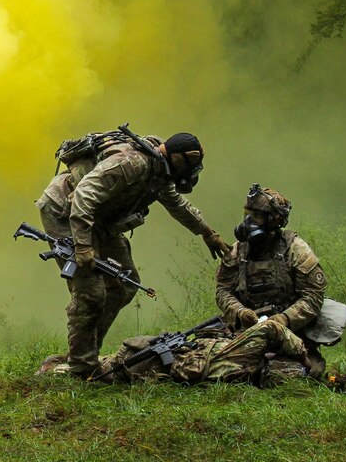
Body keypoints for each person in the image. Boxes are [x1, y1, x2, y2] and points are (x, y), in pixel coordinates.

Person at [35, 126, 230, 378]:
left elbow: (177, 205)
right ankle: (81, 368)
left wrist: (208, 233)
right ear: (180, 158)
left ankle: (82, 355)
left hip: (101, 221)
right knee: (91, 292)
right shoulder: (131, 162)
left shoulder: (160, 170)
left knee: (124, 284)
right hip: (65, 213)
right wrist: (83, 246)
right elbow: (83, 196)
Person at [215, 183, 328, 375]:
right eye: (247, 214)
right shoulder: (238, 251)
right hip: (249, 332)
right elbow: (222, 290)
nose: (248, 222)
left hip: (293, 333)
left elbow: (313, 296)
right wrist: (240, 312)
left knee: (290, 374)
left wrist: (284, 319)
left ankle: (305, 359)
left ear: (273, 220)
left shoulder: (295, 250)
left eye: (256, 216)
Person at [39, 317, 323, 386]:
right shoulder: (244, 362)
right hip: (176, 357)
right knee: (110, 367)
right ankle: (62, 364)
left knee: (110, 369)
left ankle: (60, 366)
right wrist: (305, 358)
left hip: (169, 363)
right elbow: (269, 330)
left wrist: (304, 358)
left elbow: (272, 330)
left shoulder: (245, 360)